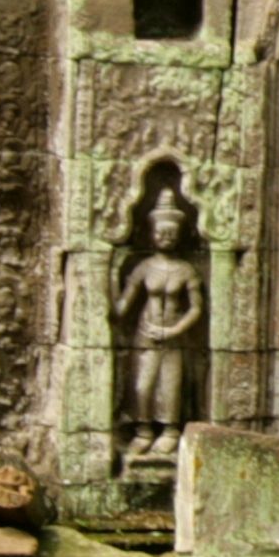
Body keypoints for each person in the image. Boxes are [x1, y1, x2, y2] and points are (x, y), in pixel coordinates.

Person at [112, 176, 209, 464]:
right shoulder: (144, 268)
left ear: (180, 234)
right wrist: (106, 278)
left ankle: (169, 430)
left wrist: (175, 330)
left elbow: (196, 309)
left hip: (175, 334)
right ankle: (143, 431)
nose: (166, 237)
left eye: (172, 233)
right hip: (146, 333)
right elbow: (123, 306)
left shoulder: (185, 270)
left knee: (170, 385)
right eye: (161, 232)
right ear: (152, 233)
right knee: (143, 385)